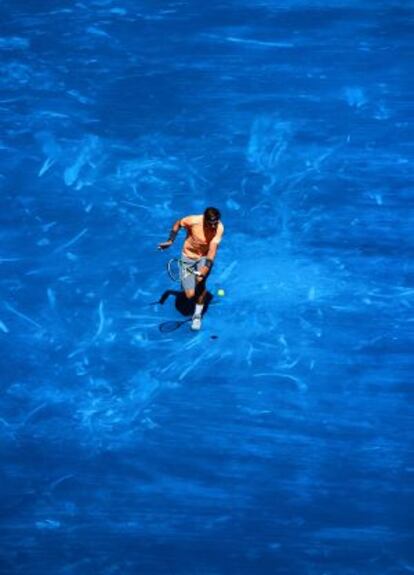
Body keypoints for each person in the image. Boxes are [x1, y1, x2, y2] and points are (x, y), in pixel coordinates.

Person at [158, 207, 224, 330]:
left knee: (200, 285)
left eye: (216, 223)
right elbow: (178, 223)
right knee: (189, 294)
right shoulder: (193, 220)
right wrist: (170, 241)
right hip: (187, 257)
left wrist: (204, 270)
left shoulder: (219, 228)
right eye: (211, 223)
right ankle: (195, 290)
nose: (214, 226)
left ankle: (197, 315)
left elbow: (212, 249)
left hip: (204, 258)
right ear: (204, 220)